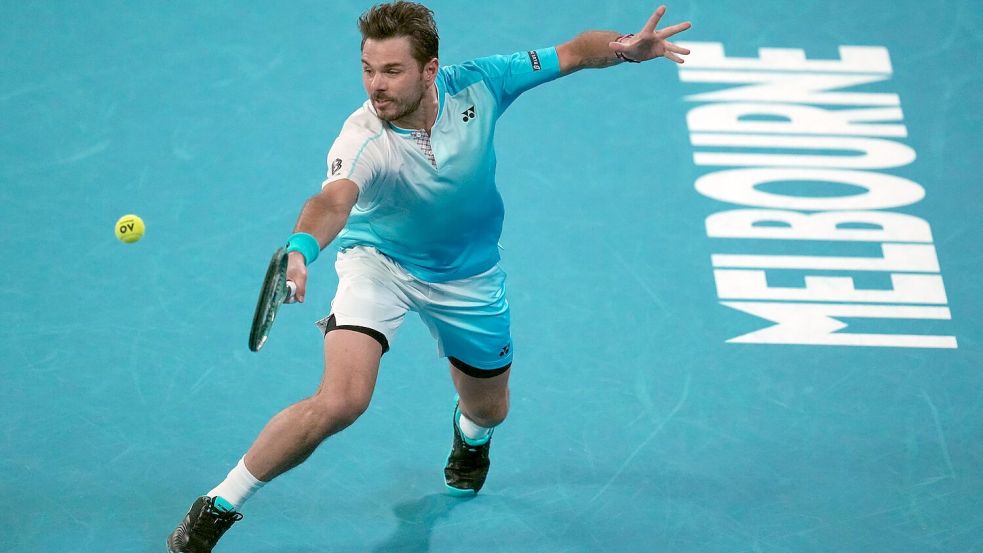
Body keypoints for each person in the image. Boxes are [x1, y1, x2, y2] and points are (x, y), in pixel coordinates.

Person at [166, 2, 691, 551]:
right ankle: (219, 504)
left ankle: (470, 437)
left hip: (469, 277)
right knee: (342, 400)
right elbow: (332, 201)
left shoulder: (484, 82)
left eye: (391, 71)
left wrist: (625, 46)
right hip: (380, 264)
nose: (376, 85)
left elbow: (576, 51)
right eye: (368, 69)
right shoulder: (362, 138)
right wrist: (301, 248)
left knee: (490, 408)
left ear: (430, 69)